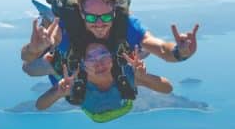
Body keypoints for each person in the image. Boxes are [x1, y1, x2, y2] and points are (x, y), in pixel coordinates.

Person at [20, 0, 200, 74]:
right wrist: (34, 49)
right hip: (72, 65)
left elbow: (160, 48)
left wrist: (180, 53)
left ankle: (54, 10)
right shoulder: (67, 29)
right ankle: (50, 16)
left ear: (115, 13)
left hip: (114, 62)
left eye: (106, 16)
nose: (99, 23)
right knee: (32, 68)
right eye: (91, 17)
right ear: (81, 15)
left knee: (142, 51)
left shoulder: (128, 25)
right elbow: (26, 62)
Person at [35, 43, 172, 122]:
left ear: (112, 57)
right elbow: (167, 88)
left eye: (103, 56)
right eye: (91, 59)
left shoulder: (125, 74)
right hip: (106, 105)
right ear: (82, 65)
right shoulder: (75, 79)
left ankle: (49, 31)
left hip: (94, 109)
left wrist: (58, 92)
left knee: (39, 67)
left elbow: (40, 105)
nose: (99, 64)